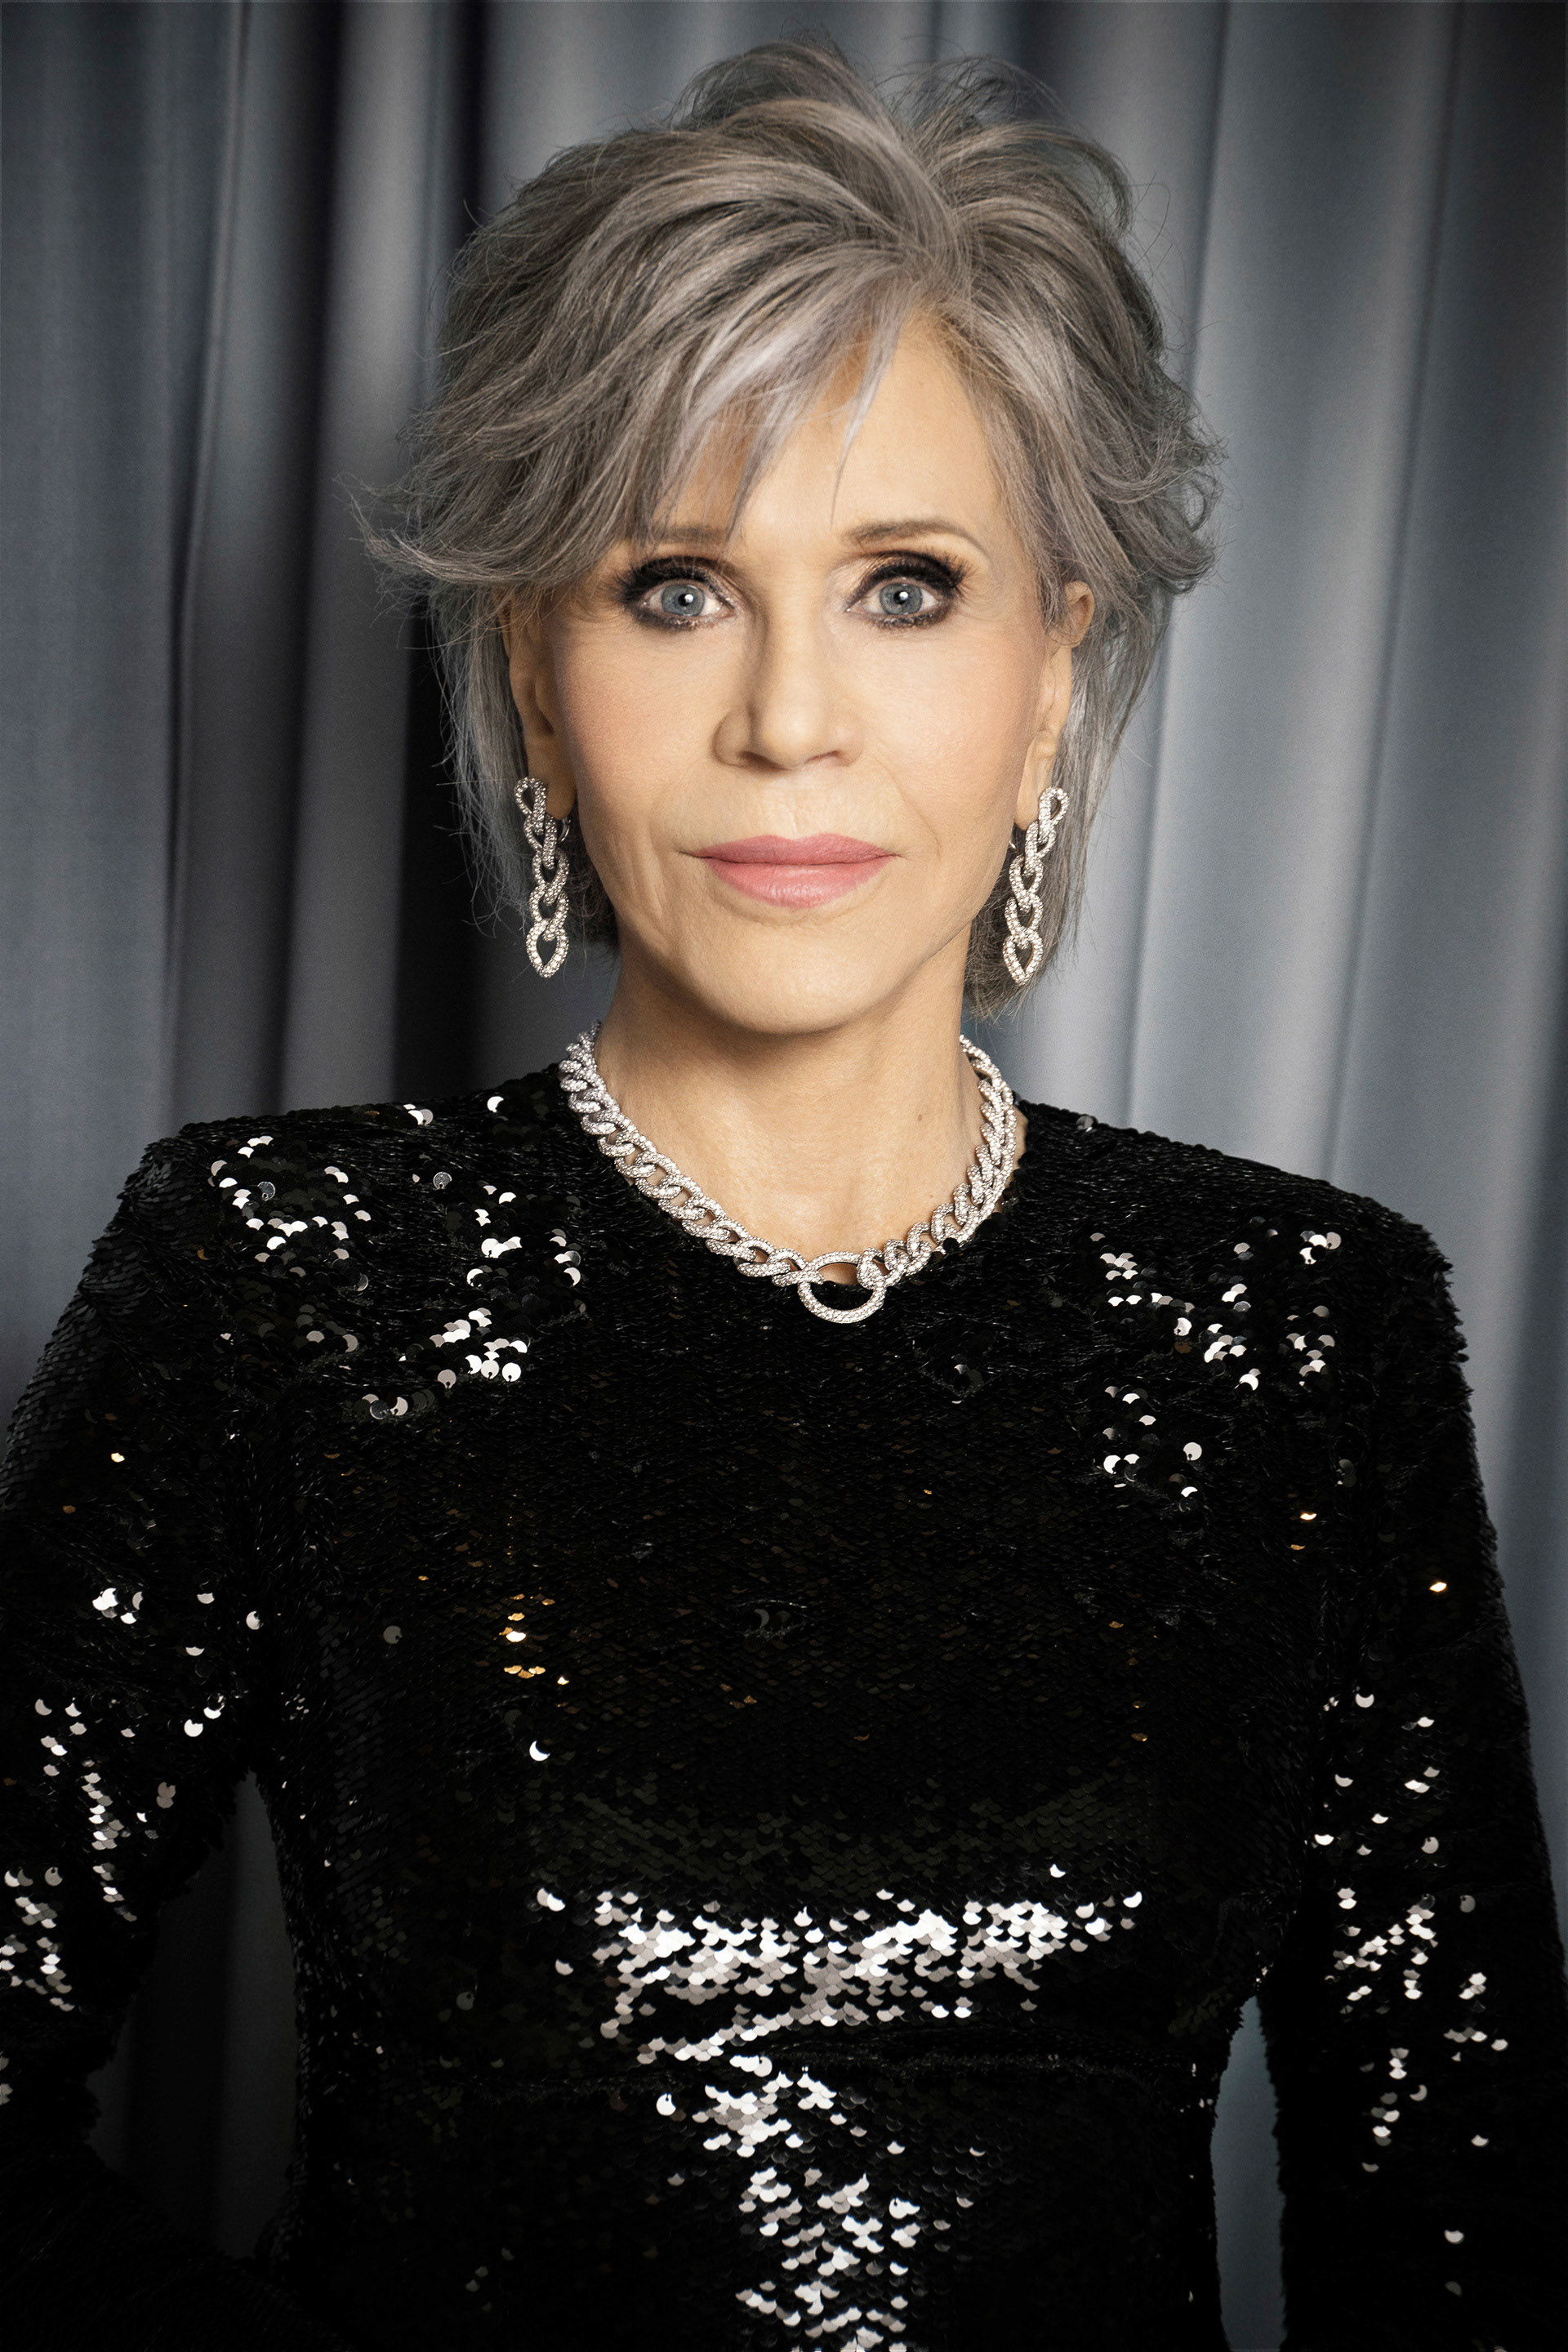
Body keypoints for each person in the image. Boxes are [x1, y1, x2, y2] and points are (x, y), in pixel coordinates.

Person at [1, 38, 1563, 2352]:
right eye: (675, 588)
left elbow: (1467, 2232)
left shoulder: (1301, 1327)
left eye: (908, 586)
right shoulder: (287, 1278)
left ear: (1059, 673)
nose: (791, 719)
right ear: (538, 683)